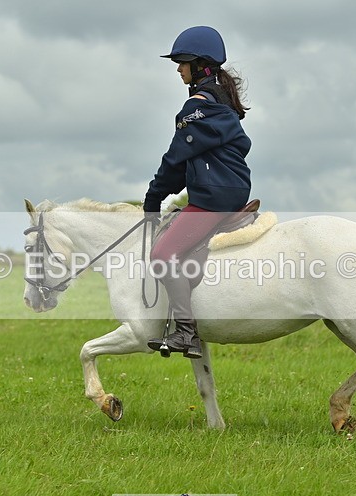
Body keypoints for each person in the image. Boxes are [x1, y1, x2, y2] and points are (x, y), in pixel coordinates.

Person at [143, 25, 252, 359]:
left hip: (213, 198)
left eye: (182, 62)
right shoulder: (222, 103)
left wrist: (152, 199)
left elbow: (175, 160)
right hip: (231, 190)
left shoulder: (195, 108)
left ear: (200, 65)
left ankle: (186, 333)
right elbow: (189, 163)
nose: (178, 69)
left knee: (162, 256)